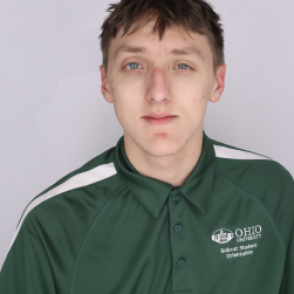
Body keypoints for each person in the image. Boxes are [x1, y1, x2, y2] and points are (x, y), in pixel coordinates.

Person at [0, 0, 293, 293]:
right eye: (134, 65)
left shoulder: (273, 191)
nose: (158, 92)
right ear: (107, 83)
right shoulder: (49, 223)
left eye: (182, 65)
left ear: (217, 82)